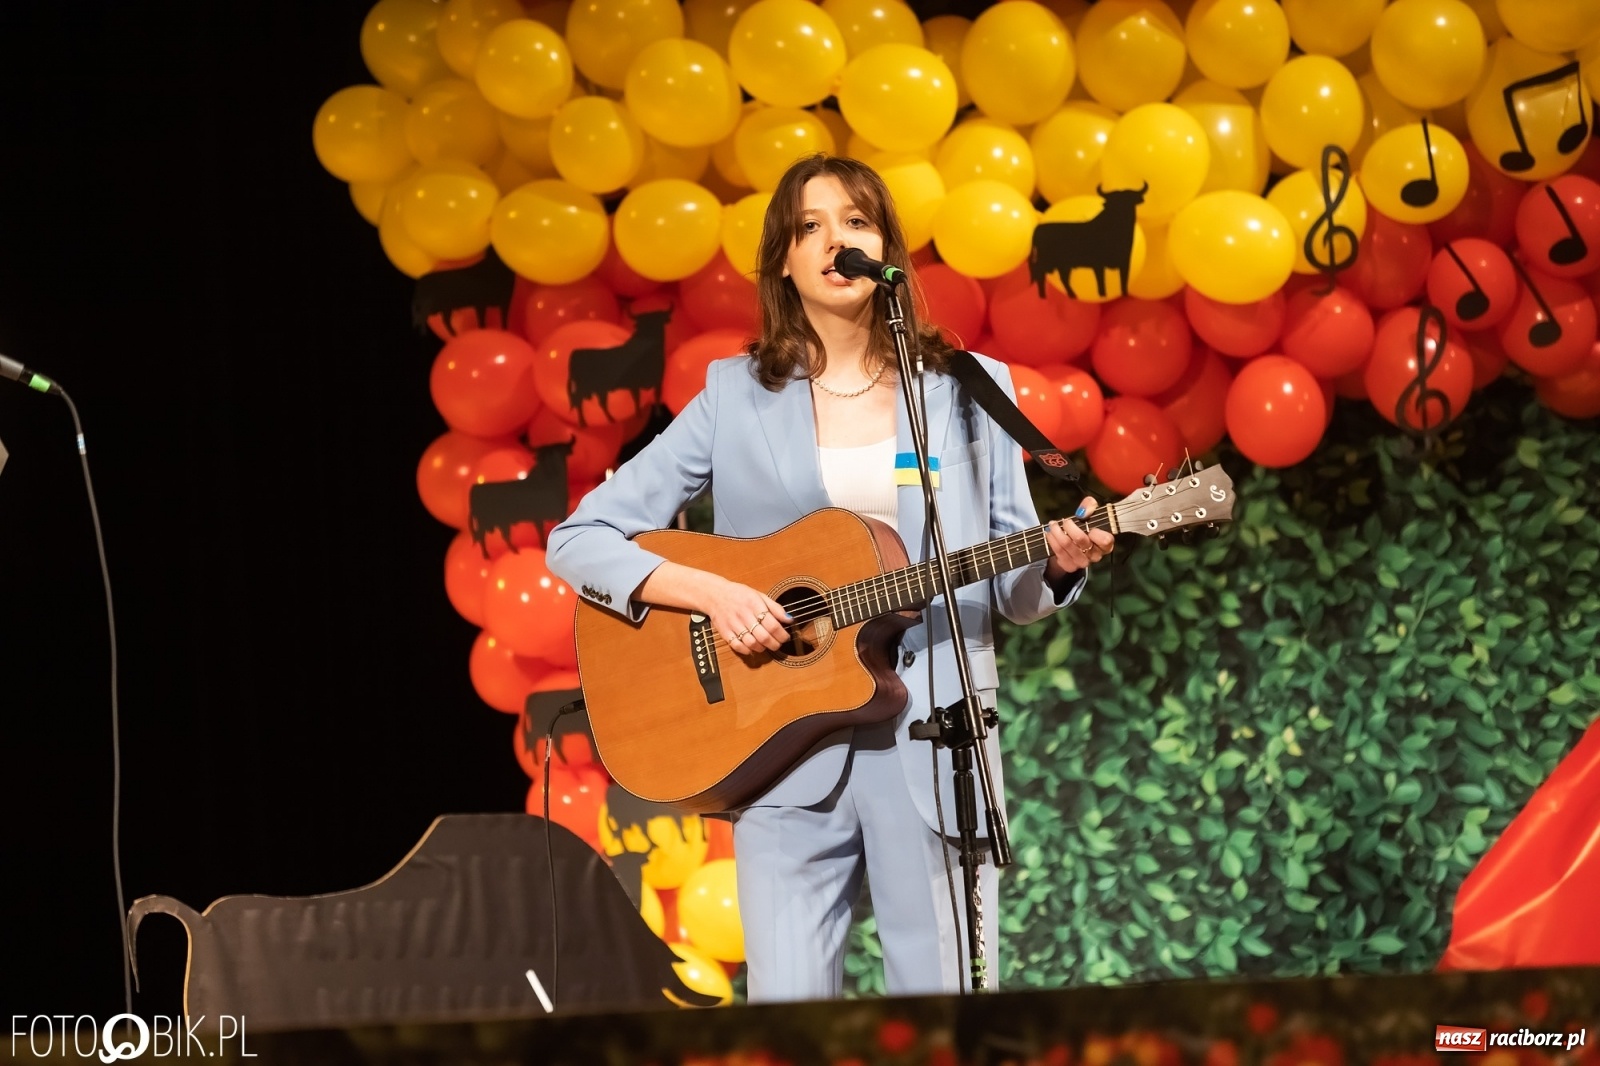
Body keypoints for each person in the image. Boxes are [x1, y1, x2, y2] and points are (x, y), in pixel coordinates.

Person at [547, 154, 1115, 1002]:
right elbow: (578, 537)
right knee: (788, 1022)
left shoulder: (967, 390)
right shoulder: (735, 396)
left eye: (855, 222)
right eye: (810, 227)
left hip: (934, 741)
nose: (834, 241)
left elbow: (1007, 588)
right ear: (783, 259)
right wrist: (716, 593)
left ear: (885, 249)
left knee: (943, 1019)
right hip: (775, 748)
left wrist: (1057, 563)